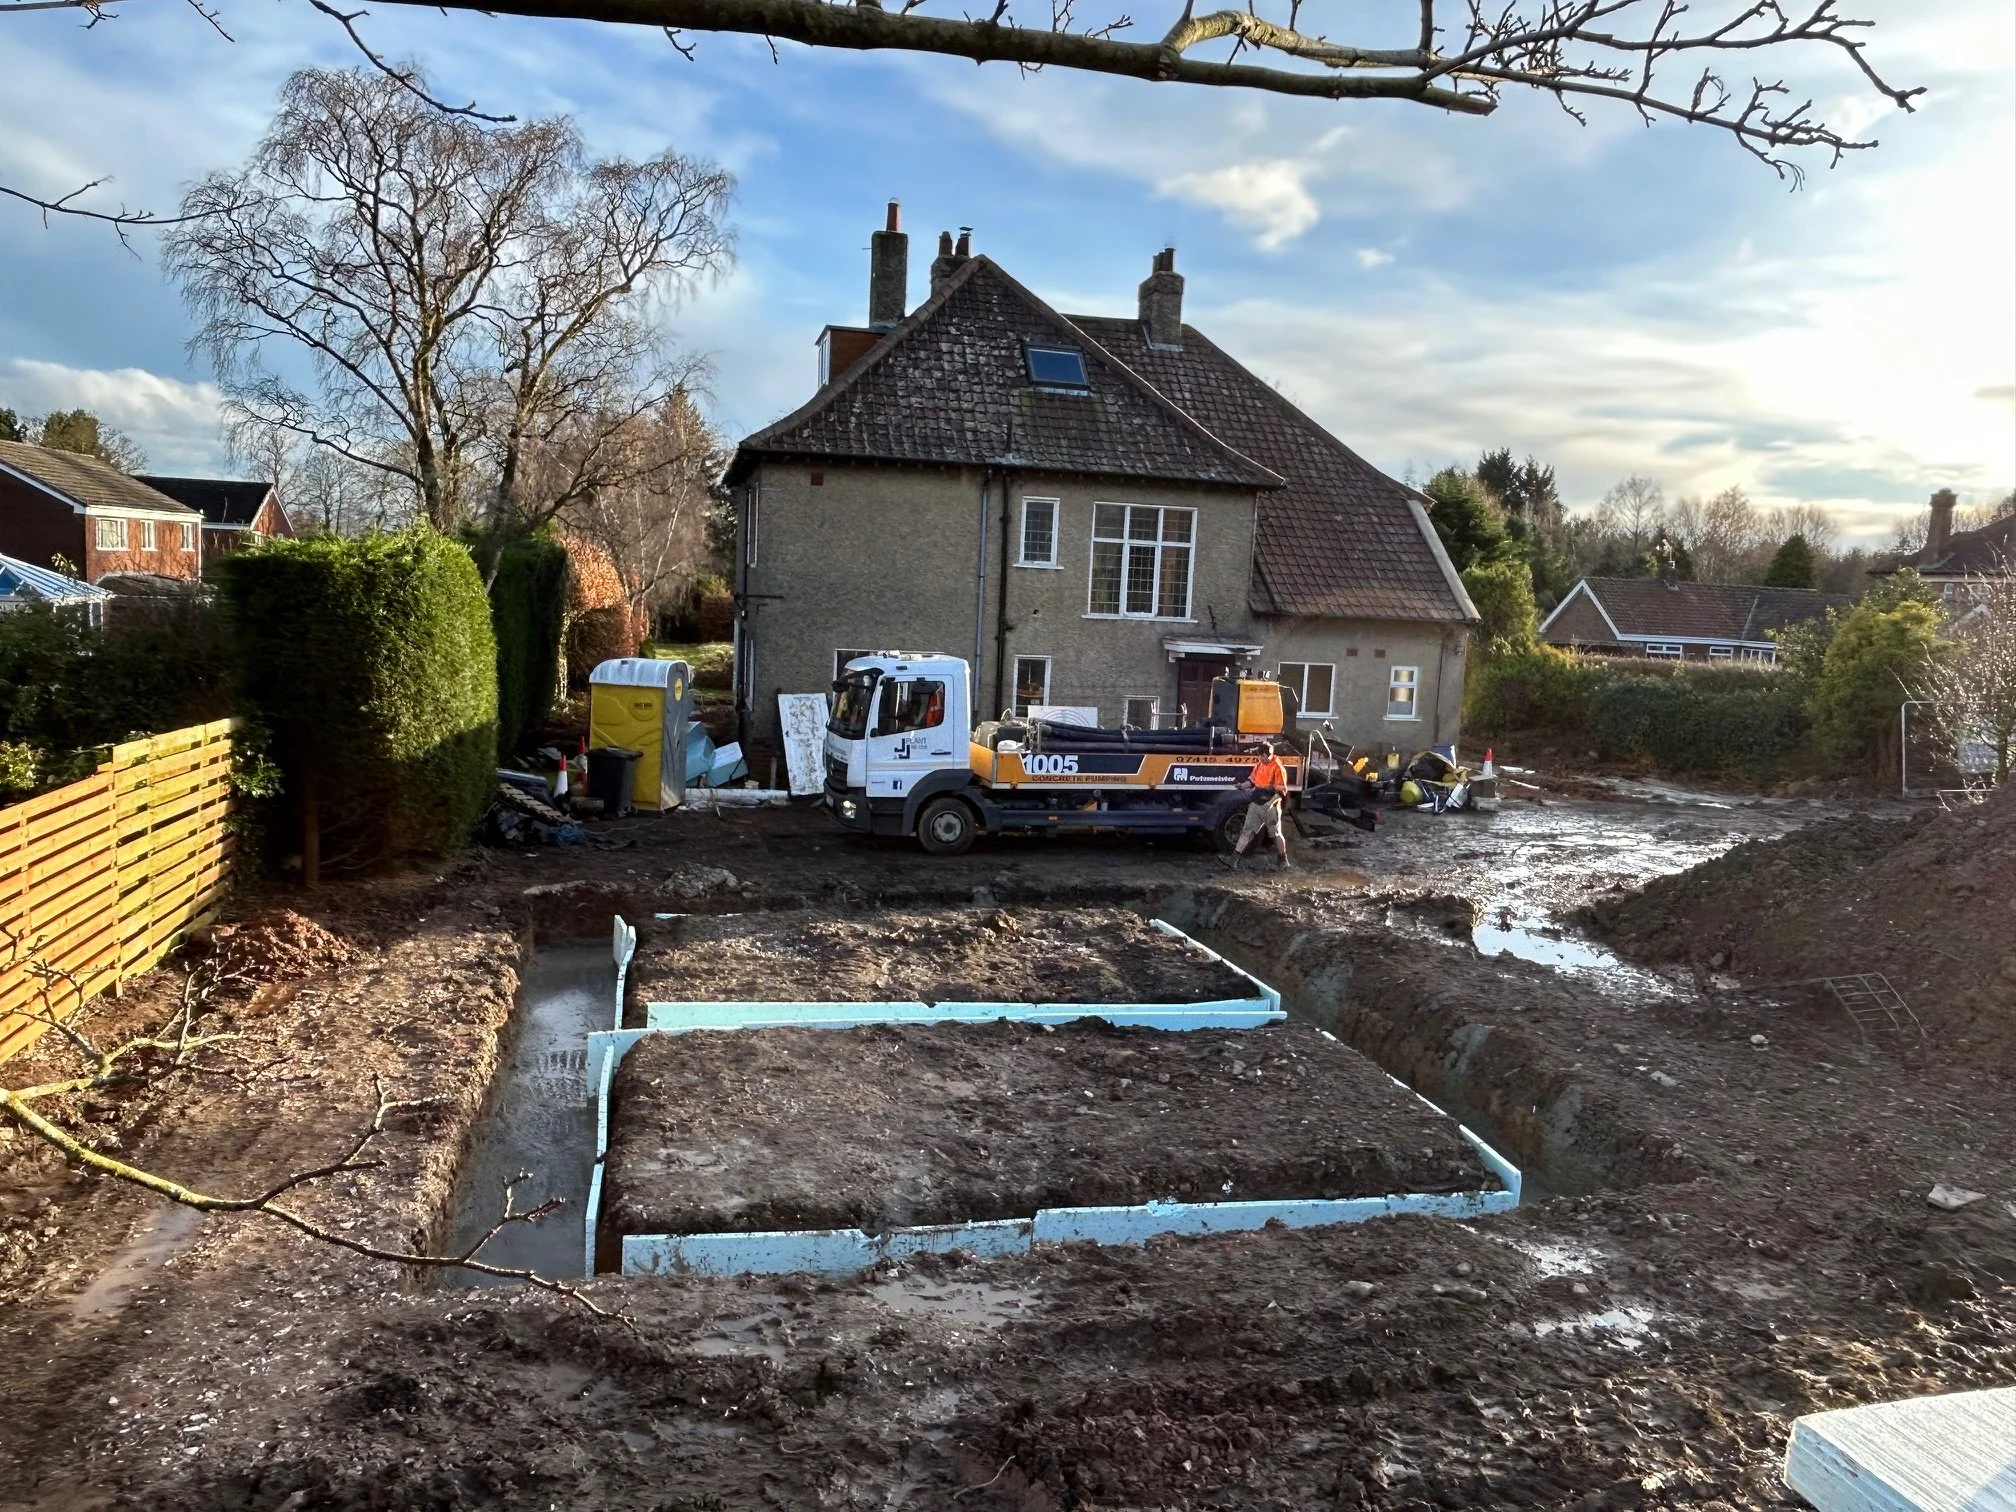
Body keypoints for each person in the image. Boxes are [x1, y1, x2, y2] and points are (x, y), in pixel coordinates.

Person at [1225, 740, 1291, 872]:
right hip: (1256, 803)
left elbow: (1281, 792)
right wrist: (1241, 785)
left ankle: (1283, 861)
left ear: (1267, 755)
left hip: (1271, 806)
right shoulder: (1259, 765)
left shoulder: (1278, 768)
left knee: (1275, 834)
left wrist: (1269, 804)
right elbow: (1252, 781)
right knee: (1247, 830)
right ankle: (1233, 860)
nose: (1259, 758)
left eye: (1261, 755)